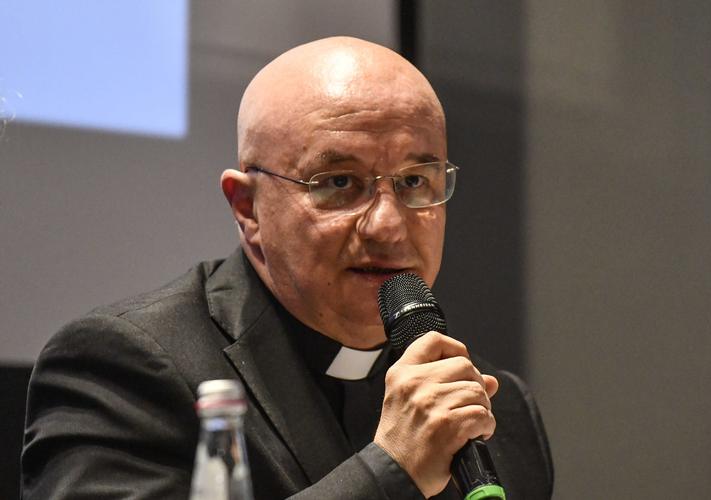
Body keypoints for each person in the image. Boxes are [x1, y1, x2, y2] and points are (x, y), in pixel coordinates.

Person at [21, 37, 553, 499]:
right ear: (247, 208)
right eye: (340, 183)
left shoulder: (496, 412)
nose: (388, 227)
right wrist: (392, 470)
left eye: (415, 181)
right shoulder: (124, 369)